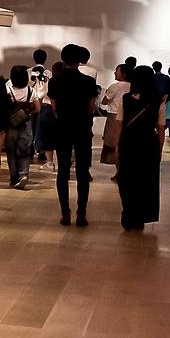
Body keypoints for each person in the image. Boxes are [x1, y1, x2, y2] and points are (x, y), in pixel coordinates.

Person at [48, 44, 100, 226]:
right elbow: (91, 107)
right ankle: (81, 213)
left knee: (62, 171)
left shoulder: (55, 81)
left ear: (63, 58)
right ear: (80, 60)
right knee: (82, 172)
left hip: (62, 127)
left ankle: (65, 213)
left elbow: (54, 106)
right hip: (82, 128)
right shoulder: (88, 82)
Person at [116, 66, 167, 230]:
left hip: (128, 142)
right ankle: (140, 216)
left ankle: (128, 213)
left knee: (126, 179)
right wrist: (159, 150)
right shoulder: (159, 101)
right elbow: (161, 129)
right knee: (146, 181)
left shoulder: (125, 99)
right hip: (148, 143)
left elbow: (119, 124)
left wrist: (117, 145)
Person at [5, 64, 39, 189]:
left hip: (10, 125)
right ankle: (23, 174)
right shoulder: (31, 91)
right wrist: (27, 113)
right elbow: (38, 108)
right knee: (24, 151)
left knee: (11, 152)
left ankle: (13, 177)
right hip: (26, 124)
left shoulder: (8, 90)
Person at [99, 64, 131, 173]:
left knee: (114, 143)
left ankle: (119, 171)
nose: (114, 73)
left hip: (114, 116)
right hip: (128, 117)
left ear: (123, 74)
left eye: (117, 71)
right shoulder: (132, 86)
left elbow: (104, 101)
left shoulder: (115, 87)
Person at [30, 49, 51, 162]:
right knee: (42, 128)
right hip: (44, 103)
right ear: (45, 59)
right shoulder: (49, 73)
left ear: (34, 58)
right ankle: (41, 151)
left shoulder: (28, 72)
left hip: (31, 103)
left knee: (30, 127)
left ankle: (30, 150)